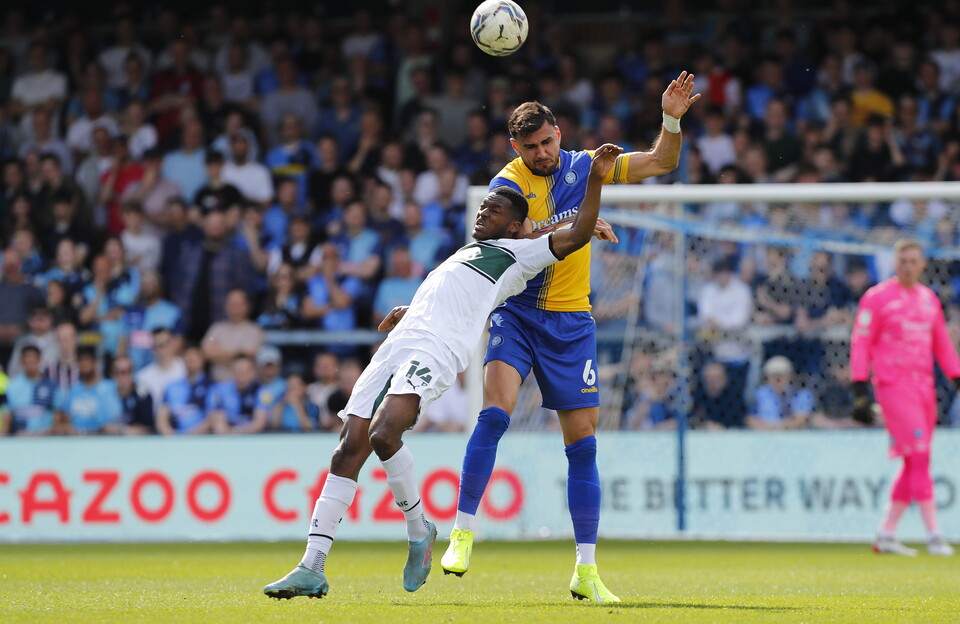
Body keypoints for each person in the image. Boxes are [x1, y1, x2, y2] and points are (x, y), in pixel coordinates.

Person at [263, 144, 623, 601]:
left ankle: (420, 531)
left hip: (436, 350)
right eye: (483, 205)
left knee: (384, 433)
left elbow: (573, 236)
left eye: (493, 209)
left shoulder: (518, 257)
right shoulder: (468, 253)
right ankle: (311, 566)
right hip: (400, 342)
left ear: (514, 226)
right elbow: (453, 295)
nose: (482, 211)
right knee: (347, 447)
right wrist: (410, 310)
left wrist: (593, 182)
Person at [439, 74, 700, 600]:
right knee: (495, 412)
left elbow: (660, 162)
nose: (542, 153)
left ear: (560, 132)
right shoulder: (508, 182)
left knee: (582, 447)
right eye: (531, 147)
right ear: (517, 148)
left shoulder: (587, 165)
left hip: (572, 323)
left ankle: (585, 570)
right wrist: (582, 223)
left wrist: (670, 119)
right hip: (518, 312)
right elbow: (502, 237)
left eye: (548, 142)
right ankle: (462, 532)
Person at [850, 239, 960, 557]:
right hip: (893, 386)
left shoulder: (929, 299)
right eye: (903, 261)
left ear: (923, 264)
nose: (908, 266)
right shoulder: (877, 298)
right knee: (920, 455)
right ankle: (935, 535)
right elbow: (861, 343)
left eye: (914, 261)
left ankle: (886, 533)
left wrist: (956, 378)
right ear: (895, 264)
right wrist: (859, 389)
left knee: (914, 460)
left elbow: (942, 345)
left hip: (924, 389)